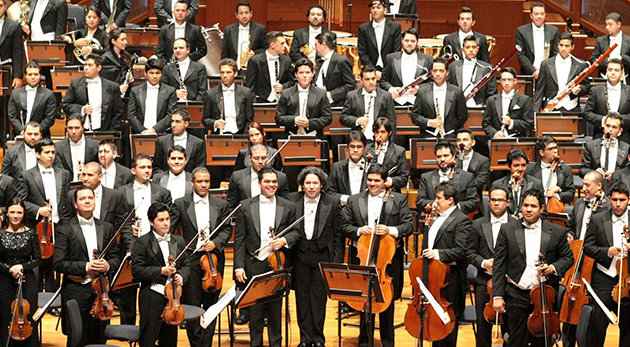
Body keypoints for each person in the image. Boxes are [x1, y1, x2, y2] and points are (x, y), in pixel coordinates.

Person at [341, 163, 413, 347]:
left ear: (384, 181)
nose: (372, 184)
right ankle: (364, 342)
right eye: (370, 180)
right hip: (363, 257)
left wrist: (390, 229)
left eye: (377, 181)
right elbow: (344, 226)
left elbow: (408, 226)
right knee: (364, 304)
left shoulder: (398, 199)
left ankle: (388, 343)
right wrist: (358, 230)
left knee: (387, 304)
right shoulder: (354, 200)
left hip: (387, 260)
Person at [492, 189, 574, 347]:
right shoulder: (507, 230)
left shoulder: (557, 231)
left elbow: (568, 258)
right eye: (525, 205)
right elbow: (499, 265)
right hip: (515, 293)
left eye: (533, 206)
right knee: (516, 341)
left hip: (544, 296)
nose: (528, 209)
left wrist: (553, 268)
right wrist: (497, 296)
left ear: (542, 208)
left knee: (541, 341)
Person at [233, 166, 300, 347]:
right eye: (267, 182)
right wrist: (238, 266)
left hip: (277, 263)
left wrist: (284, 240)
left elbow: (296, 232)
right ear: (259, 183)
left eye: (274, 182)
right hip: (254, 261)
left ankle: (275, 344)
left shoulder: (289, 206)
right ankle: (256, 343)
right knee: (255, 310)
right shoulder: (245, 206)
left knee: (275, 310)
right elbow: (239, 239)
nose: (271, 185)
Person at [170, 167, 232, 347]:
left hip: (213, 261)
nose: (204, 185)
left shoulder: (220, 204)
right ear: (192, 182)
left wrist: (216, 243)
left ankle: (207, 343)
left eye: (206, 181)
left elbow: (227, 229)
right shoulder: (181, 203)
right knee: (193, 304)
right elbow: (172, 230)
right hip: (191, 261)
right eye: (200, 182)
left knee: (211, 306)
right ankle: (196, 344)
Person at [53, 186, 120, 346]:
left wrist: (107, 265)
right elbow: (59, 263)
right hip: (76, 290)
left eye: (90, 197)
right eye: (82, 198)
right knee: (77, 337)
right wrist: (86, 267)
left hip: (101, 291)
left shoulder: (107, 227)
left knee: (100, 336)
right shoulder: (64, 229)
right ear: (75, 204)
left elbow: (116, 258)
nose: (87, 201)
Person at [289, 166, 343, 347]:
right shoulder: (292, 200)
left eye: (315, 183)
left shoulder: (332, 202)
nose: (311, 187)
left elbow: (338, 236)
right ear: (302, 185)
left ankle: (319, 338)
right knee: (302, 298)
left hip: (322, 256)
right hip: (300, 256)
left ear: (322, 185)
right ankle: (305, 338)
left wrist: (336, 264)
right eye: (308, 183)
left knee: (319, 299)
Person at [418, 182, 471, 347]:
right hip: (434, 277)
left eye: (439, 198)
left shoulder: (462, 221)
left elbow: (461, 251)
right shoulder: (434, 217)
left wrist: (438, 254)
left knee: (447, 321)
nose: (435, 201)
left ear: (451, 200)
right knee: (434, 318)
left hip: (451, 278)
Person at [16, 138, 71, 293]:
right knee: (38, 264)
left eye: (53, 152)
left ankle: (53, 299)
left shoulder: (64, 174)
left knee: (56, 264)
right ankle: (36, 298)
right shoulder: (26, 175)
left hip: (59, 225)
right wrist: (38, 210)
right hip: (38, 226)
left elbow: (66, 199)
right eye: (47, 152)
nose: (51, 155)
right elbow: (22, 201)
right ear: (38, 154)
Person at [131, 202, 190, 347]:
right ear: (151, 222)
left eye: (167, 219)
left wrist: (180, 276)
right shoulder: (141, 242)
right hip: (152, 295)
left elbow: (186, 265)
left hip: (173, 297)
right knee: (149, 337)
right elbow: (137, 271)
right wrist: (160, 271)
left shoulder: (179, 241)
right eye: (161, 220)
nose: (166, 223)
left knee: (170, 339)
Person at [583, 181, 630, 347]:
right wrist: (607, 252)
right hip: (604, 277)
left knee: (628, 326)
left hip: (628, 280)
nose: (618, 204)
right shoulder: (597, 219)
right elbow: (587, 248)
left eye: (622, 200)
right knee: (596, 324)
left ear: (628, 200)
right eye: (615, 199)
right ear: (609, 199)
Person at [468, 186, 515, 347]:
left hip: (510, 284)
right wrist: (483, 262)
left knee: (510, 329)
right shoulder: (477, 224)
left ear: (508, 202)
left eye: (500, 200)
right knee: (483, 328)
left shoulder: (517, 224)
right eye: (493, 200)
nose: (496, 203)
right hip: (484, 281)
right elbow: (469, 252)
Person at [0, 197, 40, 347]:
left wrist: (21, 267)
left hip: (26, 279)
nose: (16, 215)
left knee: (28, 316)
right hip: (4, 279)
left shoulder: (31, 233)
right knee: (5, 316)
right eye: (12, 212)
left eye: (19, 212)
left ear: (24, 214)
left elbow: (37, 259)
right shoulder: (0, 233)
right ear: (7, 214)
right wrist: (9, 269)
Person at [61, 53, 123, 131]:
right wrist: (82, 109)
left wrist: (111, 131)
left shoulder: (112, 87)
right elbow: (66, 105)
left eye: (90, 65)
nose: (86, 68)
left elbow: (117, 112)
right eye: (85, 65)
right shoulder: (75, 84)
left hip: (104, 131)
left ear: (99, 68)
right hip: (82, 131)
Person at [411, 57, 468, 138]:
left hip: (450, 135)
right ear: (431, 72)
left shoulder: (457, 91)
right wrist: (429, 122)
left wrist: (450, 128)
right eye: (435, 71)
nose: (438, 73)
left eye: (441, 71)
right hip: (428, 135)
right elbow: (415, 116)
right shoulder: (422, 91)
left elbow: (462, 116)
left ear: (447, 72)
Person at [275, 58, 332, 138]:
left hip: (315, 137)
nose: (304, 76)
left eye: (308, 72)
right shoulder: (286, 93)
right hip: (291, 137)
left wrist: (309, 123)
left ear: (313, 73)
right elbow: (278, 118)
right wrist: (294, 120)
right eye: (301, 73)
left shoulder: (321, 93)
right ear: (296, 74)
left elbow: (327, 118)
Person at [417, 141, 478, 214]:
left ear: (453, 156)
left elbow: (473, 202)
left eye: (446, 156)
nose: (442, 159)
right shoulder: (426, 177)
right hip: (434, 217)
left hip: (458, 219)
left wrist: (454, 207)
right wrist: (437, 205)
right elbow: (420, 201)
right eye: (439, 156)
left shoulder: (467, 177)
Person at [533, 32, 590, 113]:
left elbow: (587, 86)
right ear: (557, 45)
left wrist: (580, 89)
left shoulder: (581, 64)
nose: (563, 48)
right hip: (550, 108)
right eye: (561, 45)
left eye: (567, 46)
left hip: (572, 109)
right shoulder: (546, 64)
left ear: (572, 47)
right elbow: (539, 91)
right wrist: (535, 114)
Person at [340, 65, 396, 140]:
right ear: (361, 80)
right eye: (367, 79)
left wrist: (390, 142)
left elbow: (392, 122)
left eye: (373, 78)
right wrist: (357, 120)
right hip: (360, 140)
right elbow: (343, 117)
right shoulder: (352, 96)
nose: (371, 82)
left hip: (380, 139)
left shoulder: (386, 96)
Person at [227, 144, 290, 210]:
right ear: (250, 158)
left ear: (267, 157)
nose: (260, 162)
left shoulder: (281, 177)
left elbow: (284, 205)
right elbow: (231, 206)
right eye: (256, 158)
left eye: (263, 158)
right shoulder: (237, 177)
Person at [381, 28, 433, 106]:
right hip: (395, 103)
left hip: (419, 104)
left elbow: (432, 82)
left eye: (413, 41)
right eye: (406, 40)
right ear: (402, 40)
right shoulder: (390, 58)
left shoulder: (428, 59)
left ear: (417, 42)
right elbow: (383, 80)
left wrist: (418, 89)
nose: (409, 43)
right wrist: (392, 90)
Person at [203, 58, 254, 134]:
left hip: (240, 134)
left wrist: (244, 136)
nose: (225, 75)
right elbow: (205, 119)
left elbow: (249, 119)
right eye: (222, 72)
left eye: (228, 72)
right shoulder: (210, 94)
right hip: (219, 135)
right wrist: (215, 123)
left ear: (235, 73)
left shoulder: (246, 92)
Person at [584, 59, 630, 143]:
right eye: (610, 70)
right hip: (600, 136)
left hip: (625, 138)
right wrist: (604, 120)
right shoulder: (595, 91)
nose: (613, 73)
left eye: (616, 70)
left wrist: (619, 121)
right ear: (606, 72)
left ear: (622, 72)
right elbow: (587, 113)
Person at [128, 58, 178, 134]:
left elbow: (170, 114)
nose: (155, 76)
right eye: (151, 73)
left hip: (162, 134)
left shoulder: (170, 91)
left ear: (162, 73)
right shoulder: (135, 91)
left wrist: (155, 130)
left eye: (157, 73)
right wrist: (143, 131)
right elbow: (131, 116)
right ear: (145, 73)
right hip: (140, 134)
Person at [7, 62, 57, 138]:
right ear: (25, 76)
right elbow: (12, 116)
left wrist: (36, 132)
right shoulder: (15, 93)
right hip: (20, 135)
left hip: (41, 136)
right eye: (30, 74)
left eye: (36, 74)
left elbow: (50, 118)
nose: (33, 77)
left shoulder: (49, 94)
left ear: (40, 76)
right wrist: (22, 132)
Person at [482, 67, 535, 138]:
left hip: (517, 139)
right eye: (504, 80)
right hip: (497, 140)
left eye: (509, 80)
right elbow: (486, 124)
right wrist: (494, 134)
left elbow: (529, 124)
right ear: (500, 81)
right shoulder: (491, 100)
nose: (506, 83)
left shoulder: (525, 99)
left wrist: (511, 122)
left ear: (515, 81)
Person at [447, 34, 496, 107]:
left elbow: (492, 93)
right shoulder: (453, 66)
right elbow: (448, 89)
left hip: (479, 108)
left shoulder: (487, 68)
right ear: (462, 49)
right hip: (456, 108)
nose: (471, 50)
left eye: (473, 47)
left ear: (477, 49)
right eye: (467, 47)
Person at [491, 149, 544, 216]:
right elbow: (493, 212)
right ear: (508, 166)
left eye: (523, 165)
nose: (520, 169)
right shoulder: (497, 185)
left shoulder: (536, 183)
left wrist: (527, 217)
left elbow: (543, 212)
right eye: (516, 165)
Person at [245, 31, 294, 103]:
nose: (285, 46)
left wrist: (283, 86)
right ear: (272, 45)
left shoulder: (286, 60)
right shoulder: (255, 61)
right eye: (282, 43)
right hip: (260, 102)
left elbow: (291, 82)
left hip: (281, 102)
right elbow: (250, 86)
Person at [525, 136, 576, 205]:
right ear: (541, 152)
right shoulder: (530, 169)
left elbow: (571, 194)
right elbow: (526, 191)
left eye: (555, 148)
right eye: (550, 149)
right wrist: (545, 192)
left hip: (556, 208)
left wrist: (557, 195)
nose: (555, 151)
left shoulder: (565, 169)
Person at [153, 109, 206, 174]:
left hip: (189, 182)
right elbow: (156, 168)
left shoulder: (198, 143)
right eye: (172, 121)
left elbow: (200, 169)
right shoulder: (161, 141)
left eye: (177, 121)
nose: (173, 125)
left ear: (186, 124)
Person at [357, 0, 402, 77]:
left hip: (390, 70)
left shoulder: (395, 27)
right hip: (370, 70)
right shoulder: (363, 28)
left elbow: (396, 51)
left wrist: (385, 72)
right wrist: (373, 71)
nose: (375, 10)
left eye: (378, 7)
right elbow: (362, 51)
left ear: (385, 10)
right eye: (373, 8)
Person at [579, 112, 629, 179]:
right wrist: (594, 173)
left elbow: (628, 171)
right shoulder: (591, 146)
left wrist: (615, 175)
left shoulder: (626, 148)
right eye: (608, 126)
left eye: (614, 127)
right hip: (597, 185)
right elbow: (582, 170)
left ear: (620, 130)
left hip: (618, 185)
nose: (610, 130)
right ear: (603, 126)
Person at [516, 2, 559, 77]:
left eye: (542, 14)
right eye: (536, 14)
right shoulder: (521, 31)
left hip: (548, 73)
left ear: (545, 15)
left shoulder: (554, 31)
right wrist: (533, 71)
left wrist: (545, 70)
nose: (539, 16)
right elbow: (521, 55)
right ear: (531, 15)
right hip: (528, 74)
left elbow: (555, 53)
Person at [365, 118, 409, 192]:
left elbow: (403, 179)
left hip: (391, 192)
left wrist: (388, 180)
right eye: (376, 132)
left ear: (390, 132)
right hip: (369, 191)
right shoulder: (366, 150)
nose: (379, 135)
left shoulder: (399, 151)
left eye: (383, 132)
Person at [313, 32, 356, 107]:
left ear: (323, 45)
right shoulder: (319, 61)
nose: (315, 48)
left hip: (335, 104)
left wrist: (331, 95)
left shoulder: (341, 60)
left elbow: (350, 84)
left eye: (316, 45)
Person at [221, 0, 267, 69]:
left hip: (254, 68)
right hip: (235, 69)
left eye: (246, 13)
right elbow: (225, 52)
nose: (244, 16)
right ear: (237, 15)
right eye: (241, 13)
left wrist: (255, 53)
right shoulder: (229, 30)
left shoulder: (260, 29)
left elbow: (266, 49)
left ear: (251, 13)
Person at [54, 114, 100, 182]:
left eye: (77, 128)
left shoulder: (95, 146)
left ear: (83, 128)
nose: (73, 132)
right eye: (70, 128)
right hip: (67, 186)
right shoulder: (58, 147)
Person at [327, 131, 368, 204]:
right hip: (343, 210)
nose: (355, 150)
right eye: (352, 146)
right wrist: (346, 199)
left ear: (365, 148)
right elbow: (330, 192)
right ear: (347, 148)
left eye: (359, 147)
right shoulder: (337, 167)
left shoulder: (372, 167)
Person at [162, 38, 208, 102]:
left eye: (181, 48)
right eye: (175, 48)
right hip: (173, 107)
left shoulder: (200, 68)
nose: (178, 50)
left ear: (188, 50)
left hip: (193, 106)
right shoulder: (167, 68)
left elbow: (203, 91)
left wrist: (195, 105)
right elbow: (163, 90)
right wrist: (174, 93)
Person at [568, 170, 609, 242]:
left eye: (587, 185)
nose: (583, 188)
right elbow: (571, 227)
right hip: (578, 249)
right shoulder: (578, 203)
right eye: (583, 184)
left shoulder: (608, 206)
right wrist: (570, 235)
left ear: (599, 186)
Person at [590, 12, 630, 84]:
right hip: (604, 80)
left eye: (610, 25)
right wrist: (607, 60)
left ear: (619, 25)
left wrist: (622, 58)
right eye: (606, 24)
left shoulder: (629, 40)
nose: (607, 27)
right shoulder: (600, 40)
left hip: (624, 81)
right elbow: (593, 60)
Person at [455, 129, 490, 195]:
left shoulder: (483, 160)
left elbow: (479, 183)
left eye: (465, 140)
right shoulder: (452, 159)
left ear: (473, 142)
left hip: (473, 196)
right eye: (459, 140)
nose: (461, 143)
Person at [101, 28, 134, 98]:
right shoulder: (105, 59)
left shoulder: (126, 56)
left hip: (125, 95)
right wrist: (118, 89)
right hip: (110, 97)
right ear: (113, 41)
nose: (126, 42)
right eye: (122, 40)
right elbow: (104, 83)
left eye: (125, 39)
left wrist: (129, 78)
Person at [0, 0, 24, 89]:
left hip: (6, 68)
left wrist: (17, 76)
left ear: (5, 7)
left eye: (0, 6)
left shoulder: (14, 26)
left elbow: (17, 53)